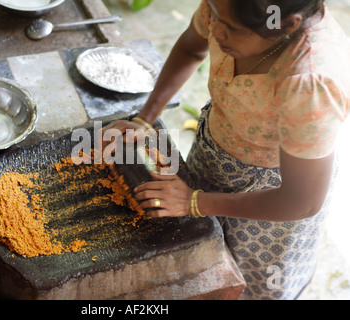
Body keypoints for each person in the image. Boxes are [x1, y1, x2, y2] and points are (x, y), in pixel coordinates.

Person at [102, 0, 350, 299]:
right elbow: (192, 48)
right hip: (216, 153)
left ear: (286, 24)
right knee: (200, 256)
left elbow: (302, 201)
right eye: (214, 15)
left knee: (250, 281)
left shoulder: (310, 84)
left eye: (232, 28)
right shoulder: (228, 7)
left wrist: (195, 202)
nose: (215, 31)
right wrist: (144, 119)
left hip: (274, 199)